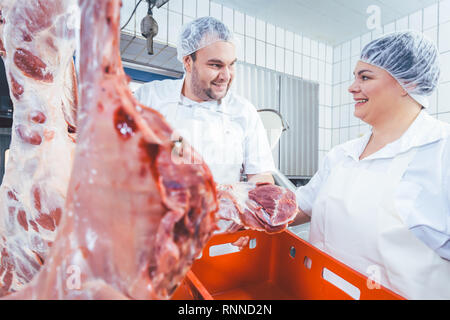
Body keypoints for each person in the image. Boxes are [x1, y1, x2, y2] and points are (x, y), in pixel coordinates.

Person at [292, 31, 450, 299]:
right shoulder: (342, 154)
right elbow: (302, 205)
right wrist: (242, 208)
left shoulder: (441, 151)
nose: (352, 87)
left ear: (406, 83)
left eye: (365, 77)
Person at [134, 16, 275, 185]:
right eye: (215, 65)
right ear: (188, 62)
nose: (226, 76)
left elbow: (261, 177)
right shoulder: (149, 98)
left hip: (222, 210)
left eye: (231, 65)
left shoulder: (244, 112)